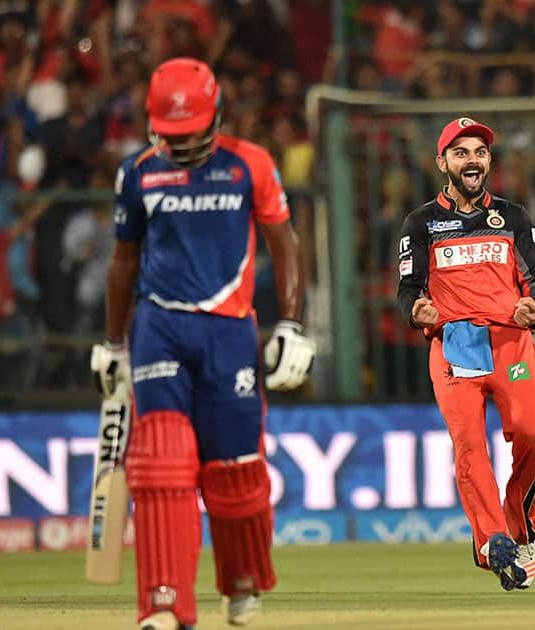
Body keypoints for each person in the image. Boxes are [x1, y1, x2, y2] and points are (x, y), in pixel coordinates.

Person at [89, 58, 315, 630]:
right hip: (159, 325)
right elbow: (124, 260)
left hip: (229, 330)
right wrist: (114, 343)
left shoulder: (250, 164)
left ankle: (242, 579)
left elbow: (284, 243)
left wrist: (291, 324)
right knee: (161, 464)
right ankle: (164, 603)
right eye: (172, 137)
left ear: (217, 118)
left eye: (192, 137)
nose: (182, 149)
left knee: (235, 472)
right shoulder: (137, 173)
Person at [397, 117, 535, 591]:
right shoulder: (421, 223)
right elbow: (408, 288)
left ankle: (519, 519)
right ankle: (493, 541)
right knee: (470, 447)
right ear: (442, 162)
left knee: (530, 433)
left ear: (489, 162)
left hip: (510, 342)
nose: (473, 160)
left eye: (480, 152)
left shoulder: (515, 217)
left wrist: (534, 306)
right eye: (461, 152)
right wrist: (418, 310)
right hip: (455, 344)